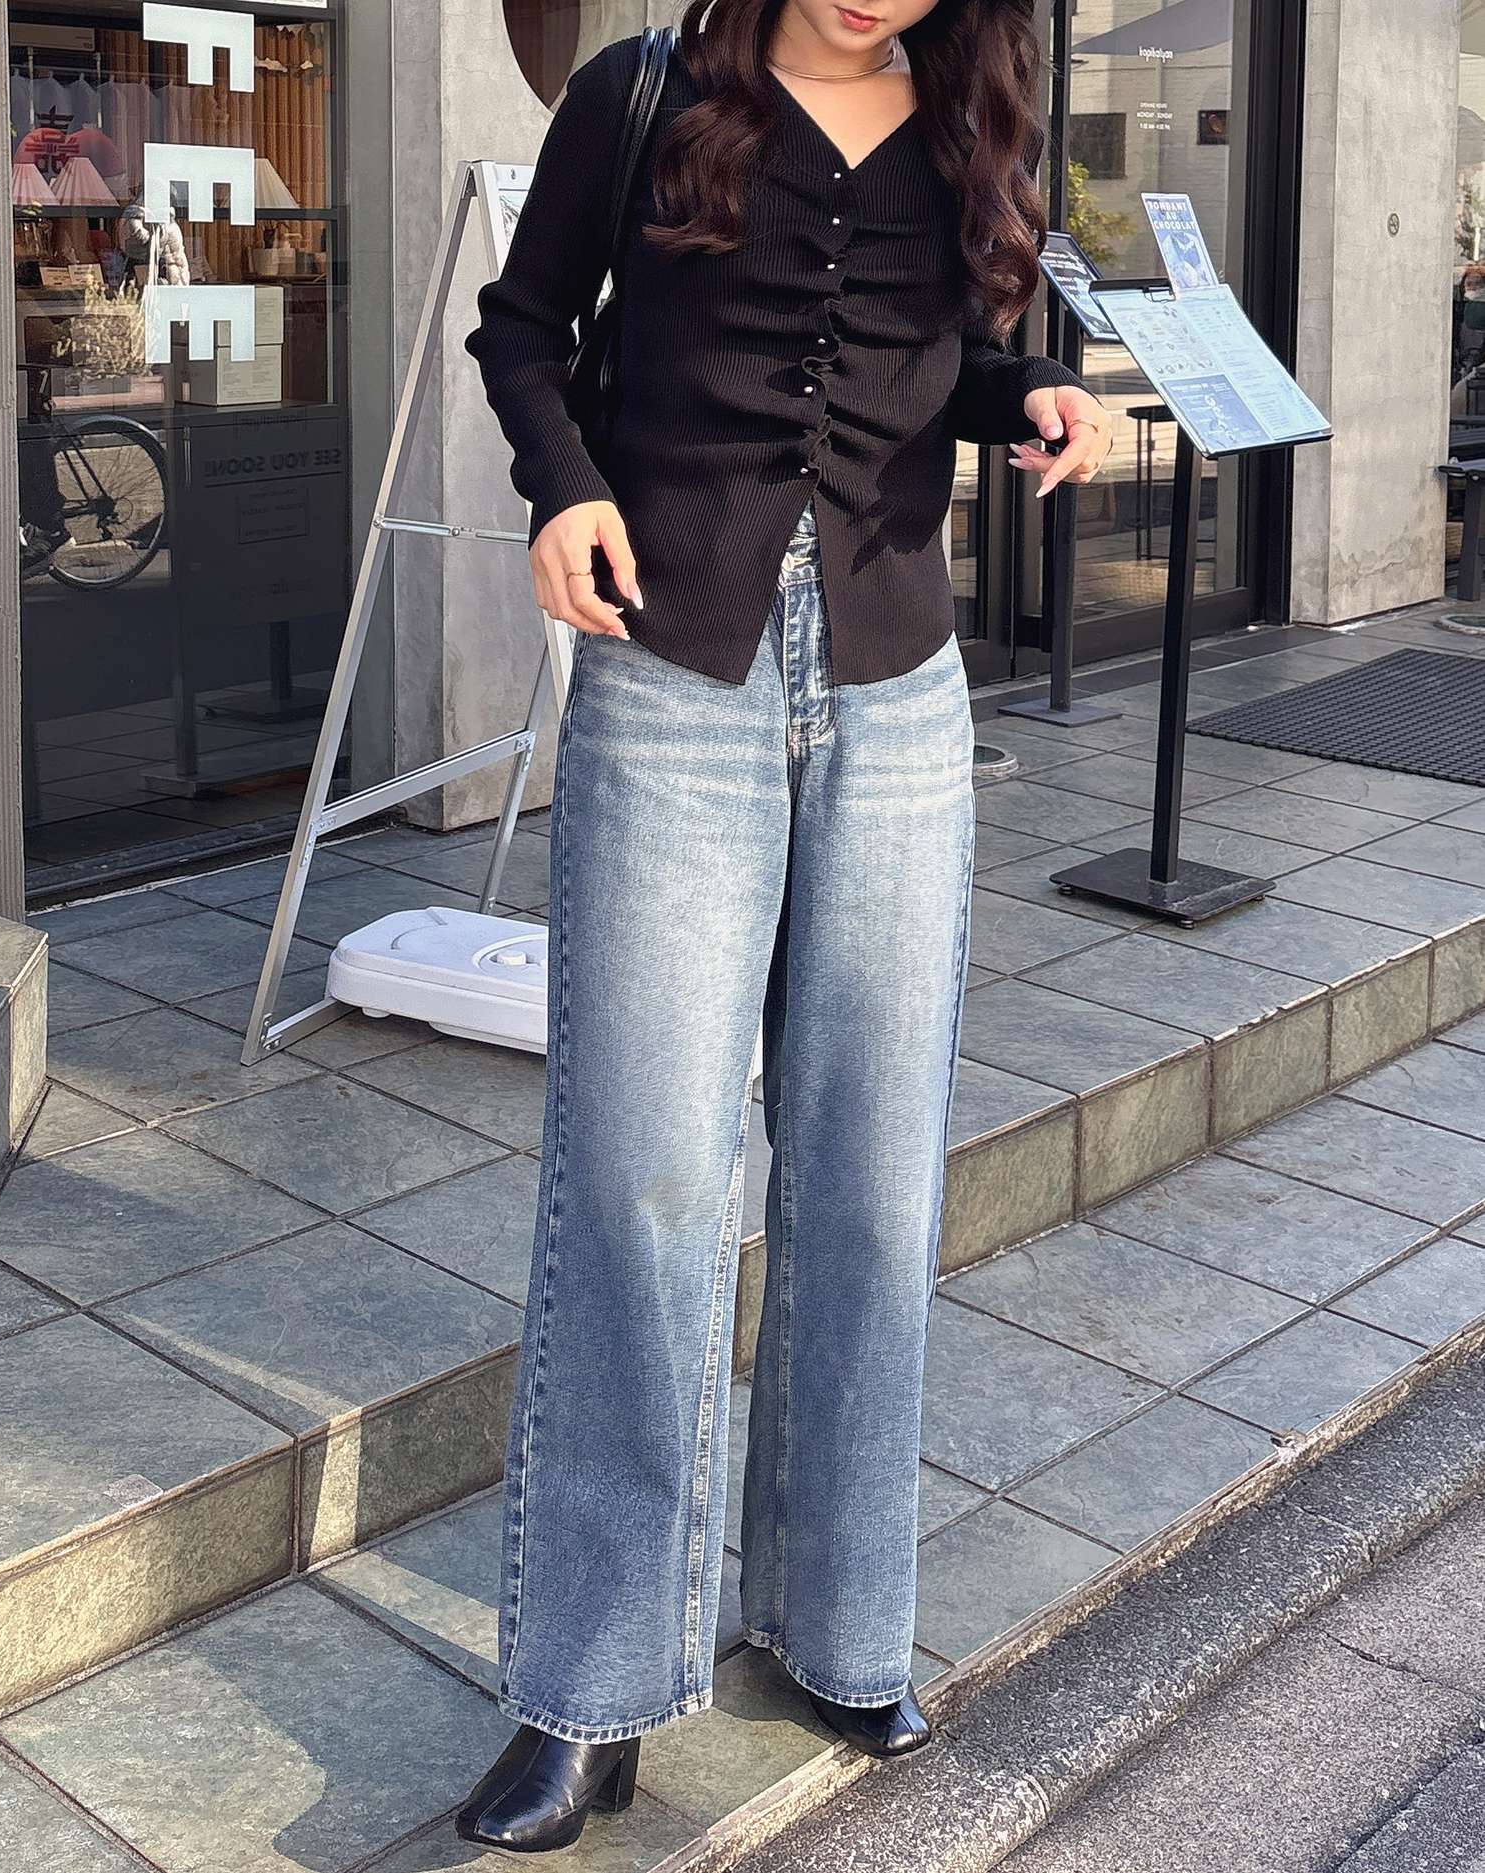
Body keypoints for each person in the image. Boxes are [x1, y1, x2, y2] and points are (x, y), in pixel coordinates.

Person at [457, 0, 1112, 1852]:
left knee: (873, 1174)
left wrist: (1031, 392)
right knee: (644, 1179)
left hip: (901, 693)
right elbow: (523, 330)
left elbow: (941, 362)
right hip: (674, 675)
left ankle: (837, 1627)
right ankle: (589, 1690)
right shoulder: (644, 90)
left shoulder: (973, 116)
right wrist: (567, 489)